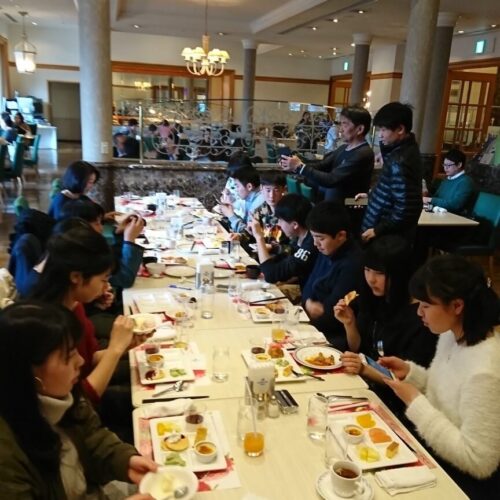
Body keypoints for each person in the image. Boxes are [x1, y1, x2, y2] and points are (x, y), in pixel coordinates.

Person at [0, 301, 157, 498]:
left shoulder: (65, 397)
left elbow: (93, 438)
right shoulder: (7, 455)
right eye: (68, 356)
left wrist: (125, 461)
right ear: (29, 373)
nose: (81, 361)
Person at [381, 255, 500, 499]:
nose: (419, 313)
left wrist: (415, 403)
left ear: (457, 306)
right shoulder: (452, 334)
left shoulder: (485, 371)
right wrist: (412, 374)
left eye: (426, 306)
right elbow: (447, 394)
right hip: (431, 451)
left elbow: (479, 461)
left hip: (460, 481)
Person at [30, 226, 136, 407]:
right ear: (76, 277)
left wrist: (126, 345)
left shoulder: (73, 305)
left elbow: (89, 359)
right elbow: (81, 403)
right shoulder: (48, 327)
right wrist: (115, 349)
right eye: (103, 279)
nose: (106, 287)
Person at [334, 235, 437, 412]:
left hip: (394, 403)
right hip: (363, 384)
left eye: (379, 273)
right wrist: (349, 323)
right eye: (367, 270)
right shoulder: (374, 298)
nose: (371, 279)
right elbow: (358, 348)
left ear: (400, 274)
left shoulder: (421, 319)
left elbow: (407, 380)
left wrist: (364, 369)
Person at [281, 105, 374, 203]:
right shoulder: (343, 148)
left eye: (345, 124)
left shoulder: (363, 154)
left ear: (360, 129)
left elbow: (332, 179)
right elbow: (322, 165)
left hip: (350, 204)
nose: (341, 129)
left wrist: (300, 167)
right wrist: (295, 166)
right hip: (334, 203)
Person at [302, 201, 363, 349]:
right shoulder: (327, 249)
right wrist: (308, 304)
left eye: (321, 238)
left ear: (341, 235)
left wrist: (310, 307)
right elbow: (308, 289)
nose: (315, 243)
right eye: (313, 237)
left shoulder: (353, 264)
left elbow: (331, 314)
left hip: (334, 335)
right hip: (311, 322)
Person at [360, 102, 423, 243]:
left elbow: (407, 208)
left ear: (400, 129)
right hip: (383, 228)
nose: (380, 135)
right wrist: (372, 195)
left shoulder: (400, 160)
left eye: (383, 130)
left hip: (386, 236)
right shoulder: (400, 151)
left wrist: (378, 230)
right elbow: (392, 189)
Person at [251, 193, 317, 290]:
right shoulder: (300, 236)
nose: (278, 224)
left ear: (295, 225)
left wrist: (259, 237)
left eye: (280, 220)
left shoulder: (311, 244)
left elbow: (271, 275)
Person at [423, 148, 476, 215]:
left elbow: (455, 205)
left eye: (448, 165)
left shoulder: (466, 182)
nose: (445, 168)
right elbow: (437, 198)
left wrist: (429, 199)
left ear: (459, 165)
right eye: (444, 165)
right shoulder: (447, 179)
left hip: (454, 217)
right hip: (440, 214)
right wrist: (425, 193)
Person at [248, 172, 289, 252]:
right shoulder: (260, 210)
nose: (271, 196)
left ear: (284, 189)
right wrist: (240, 236)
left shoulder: (289, 213)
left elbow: (294, 248)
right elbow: (251, 233)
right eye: (268, 190)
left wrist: (272, 248)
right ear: (261, 188)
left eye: (276, 190)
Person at [219, 166, 264, 233]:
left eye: (237, 186)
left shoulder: (258, 204)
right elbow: (245, 222)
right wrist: (230, 211)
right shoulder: (249, 198)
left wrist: (231, 216)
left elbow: (248, 234)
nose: (236, 190)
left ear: (249, 186)